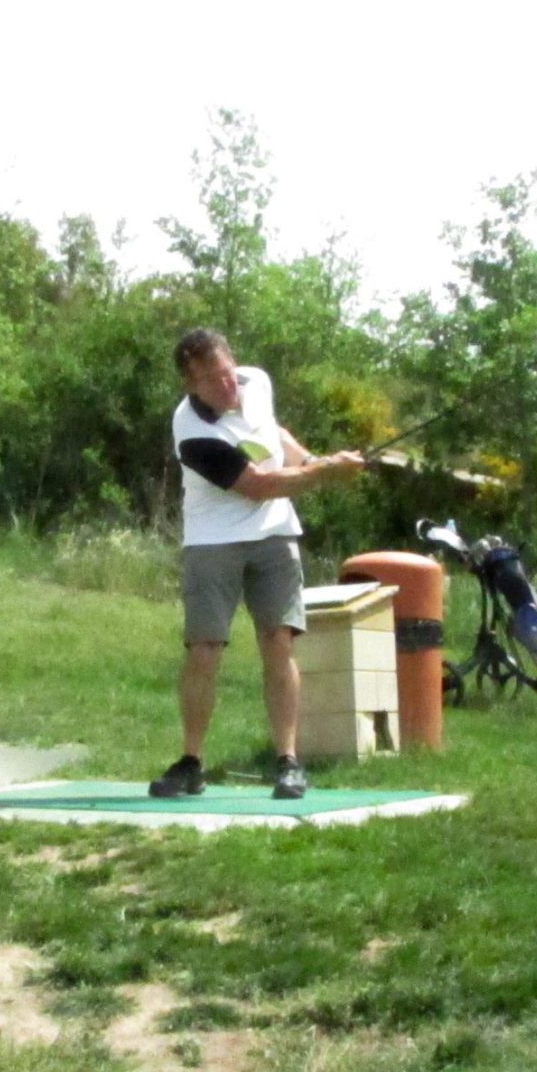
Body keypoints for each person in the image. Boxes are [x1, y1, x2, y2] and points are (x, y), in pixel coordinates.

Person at [150, 328, 364, 799]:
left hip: (275, 536)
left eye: (227, 371)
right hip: (213, 541)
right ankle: (191, 762)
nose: (227, 385)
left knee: (278, 642)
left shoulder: (256, 382)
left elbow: (273, 434)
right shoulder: (193, 431)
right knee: (204, 649)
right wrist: (326, 472)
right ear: (191, 384)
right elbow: (260, 486)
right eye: (212, 379)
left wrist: (312, 459)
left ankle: (287, 761)